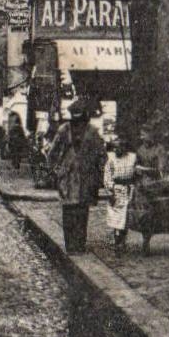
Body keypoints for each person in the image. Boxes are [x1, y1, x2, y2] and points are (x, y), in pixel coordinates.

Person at [47, 99, 107, 254]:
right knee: (68, 211)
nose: (78, 123)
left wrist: (99, 172)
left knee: (82, 211)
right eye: (75, 119)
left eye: (80, 119)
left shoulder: (92, 132)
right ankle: (70, 245)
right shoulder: (63, 130)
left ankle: (80, 244)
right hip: (67, 177)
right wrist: (54, 170)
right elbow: (52, 152)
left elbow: (102, 154)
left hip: (86, 177)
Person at [104, 131, 138, 251]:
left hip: (129, 189)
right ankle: (117, 239)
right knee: (116, 217)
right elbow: (107, 176)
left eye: (120, 147)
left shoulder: (132, 157)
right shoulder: (111, 159)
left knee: (126, 217)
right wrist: (110, 191)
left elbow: (136, 172)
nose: (117, 150)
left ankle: (122, 239)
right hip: (116, 190)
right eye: (115, 147)